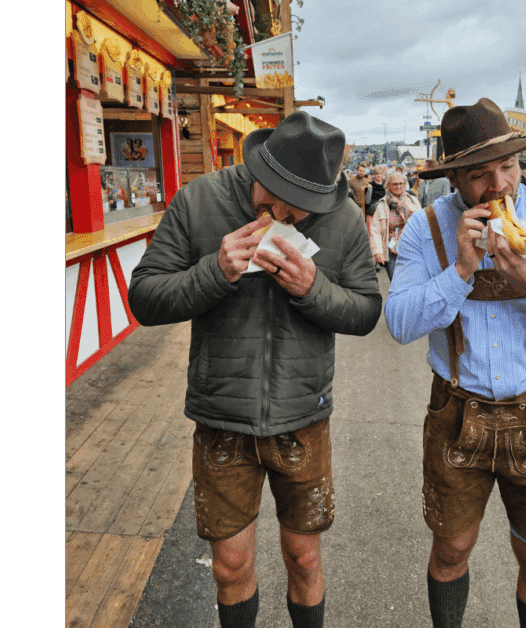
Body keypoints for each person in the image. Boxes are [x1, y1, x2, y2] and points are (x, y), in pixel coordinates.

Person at [127, 111, 383, 628]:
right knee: (230, 566)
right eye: (274, 195)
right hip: (222, 418)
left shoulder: (343, 219)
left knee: (304, 558)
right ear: (258, 165)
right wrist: (213, 272)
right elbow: (145, 297)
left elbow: (365, 311)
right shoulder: (200, 201)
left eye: (300, 207)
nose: (284, 213)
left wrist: (314, 290)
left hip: (303, 419)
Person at [384, 98, 526, 628]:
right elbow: (398, 323)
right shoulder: (428, 229)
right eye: (479, 175)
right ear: (454, 180)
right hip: (455, 411)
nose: (499, 186)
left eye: (508, 167)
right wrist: (461, 271)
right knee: (450, 551)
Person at [370, 171, 422, 280]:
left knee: (411, 283)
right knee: (395, 284)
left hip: (411, 251)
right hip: (392, 251)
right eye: (395, 184)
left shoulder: (413, 202)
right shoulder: (382, 205)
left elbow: (421, 224)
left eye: (401, 183)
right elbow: (375, 230)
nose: (398, 186)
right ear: (388, 185)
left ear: (405, 184)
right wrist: (378, 251)